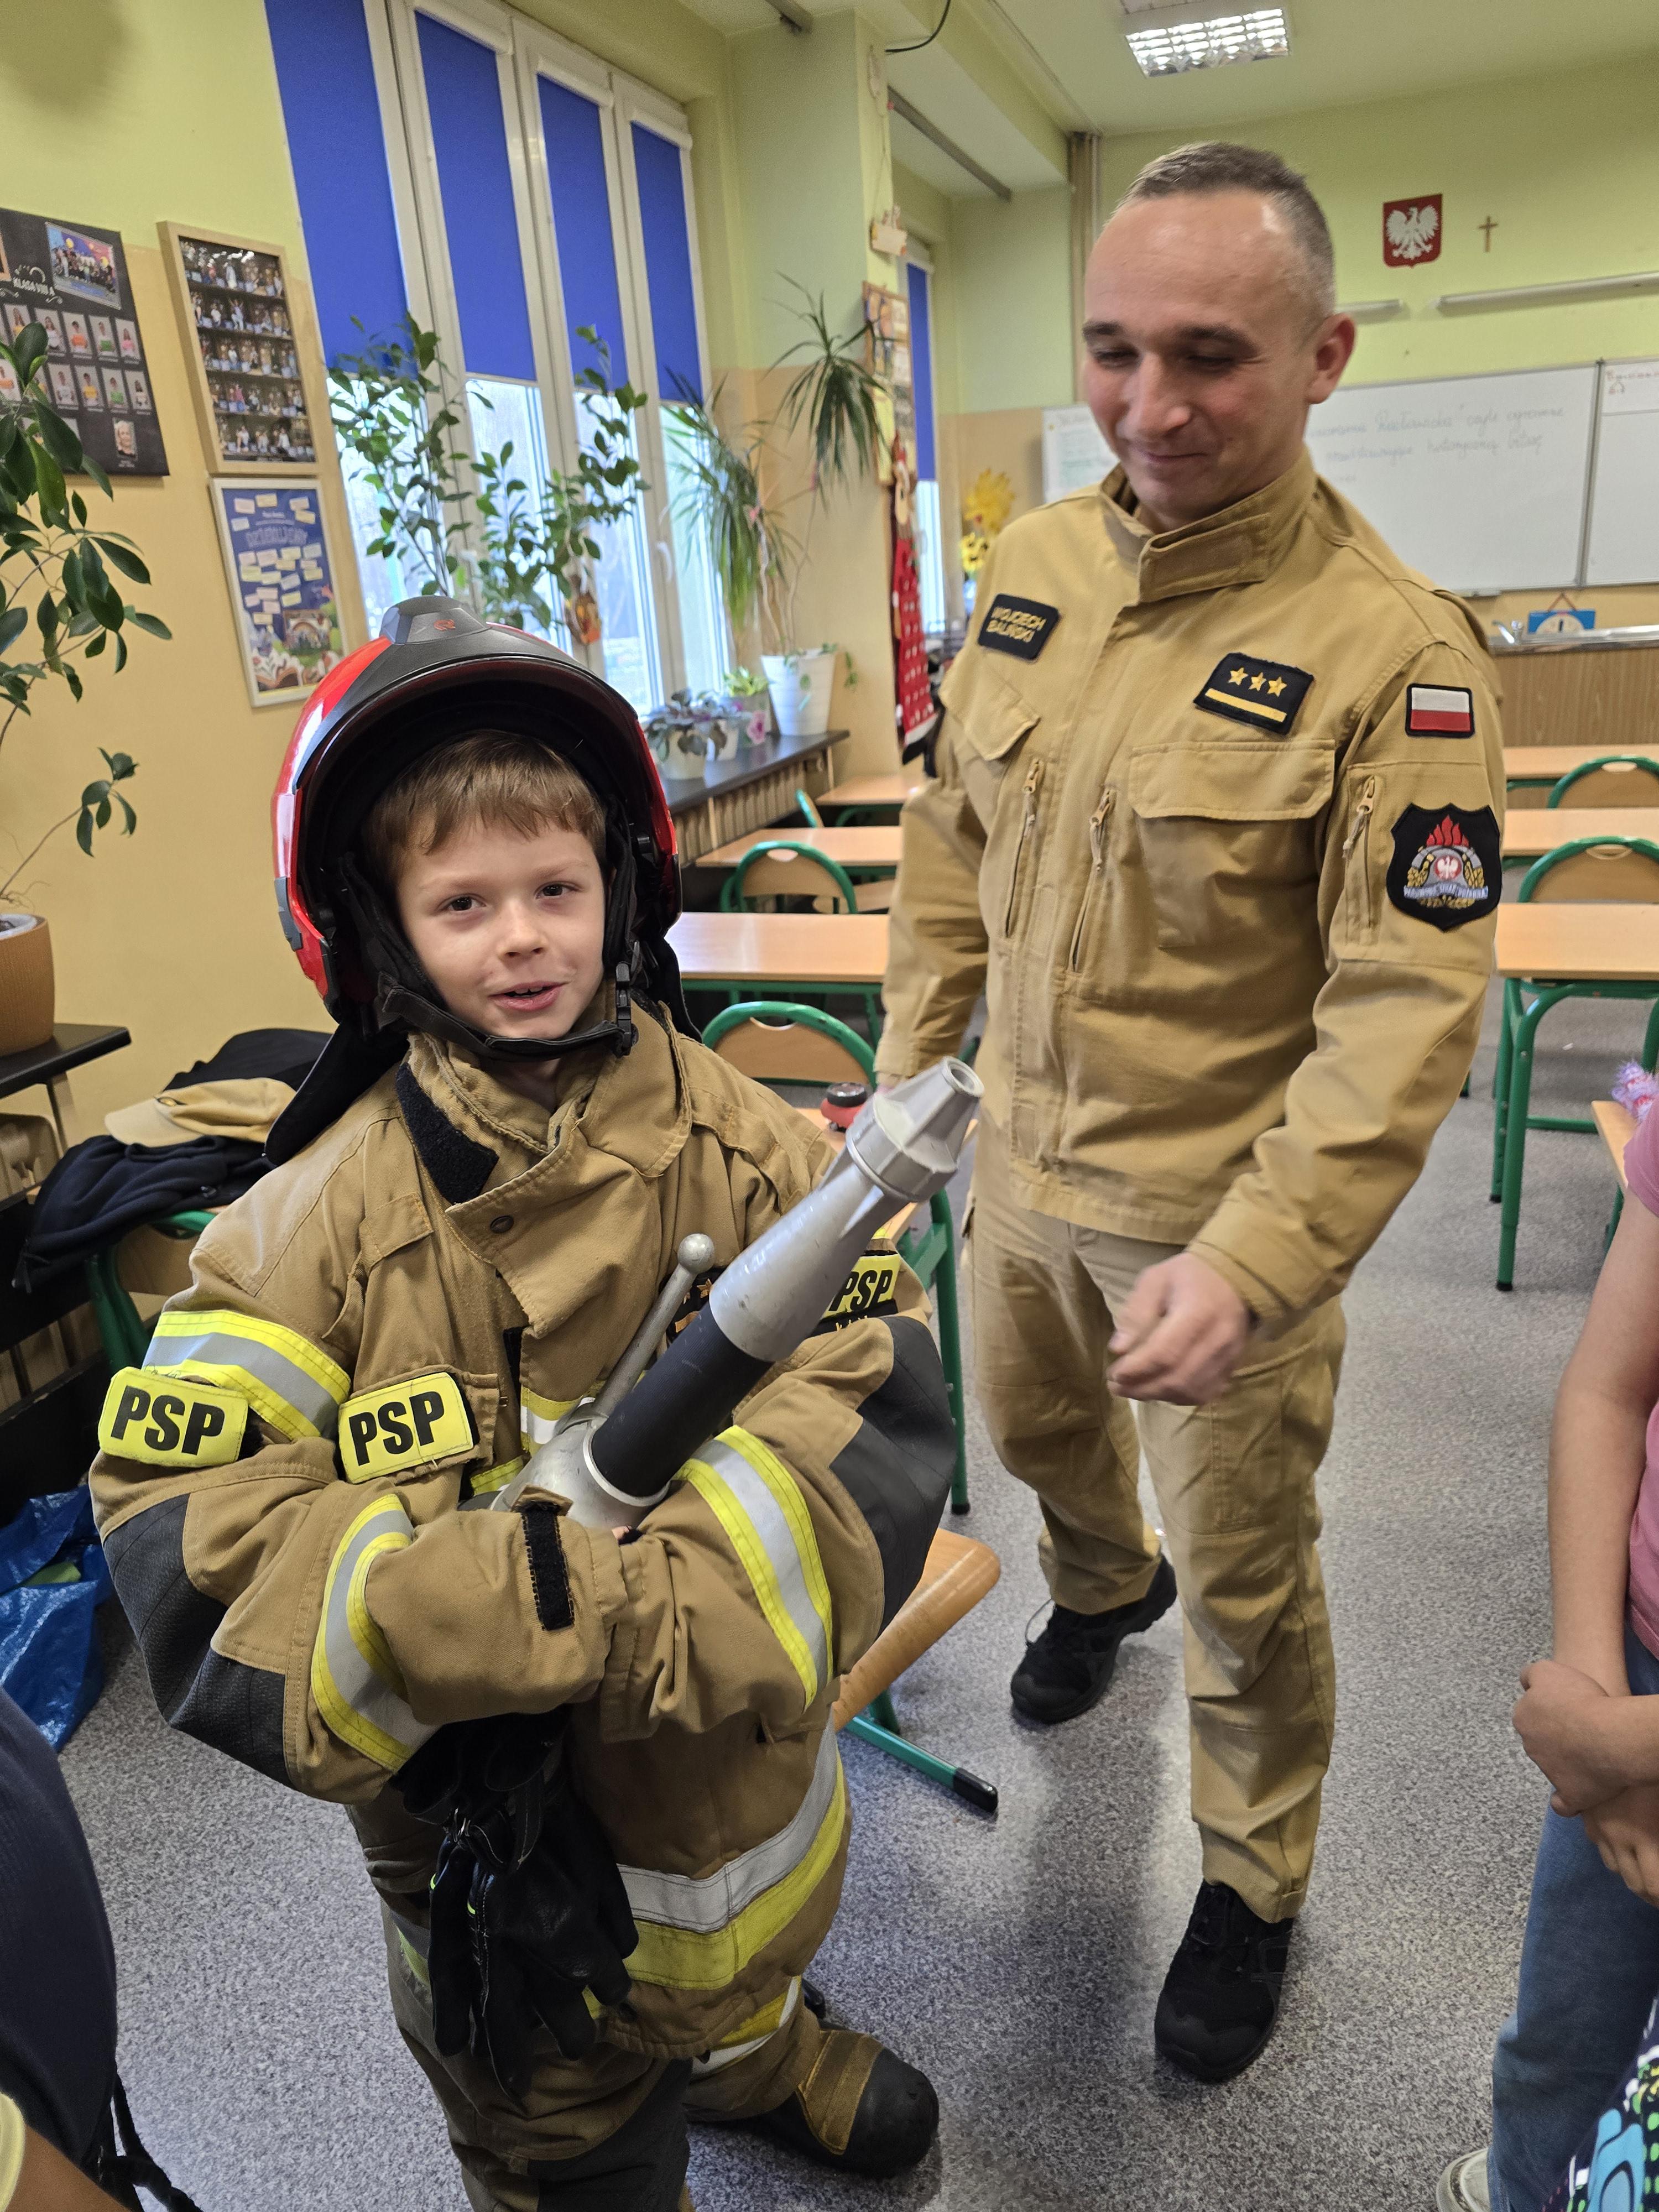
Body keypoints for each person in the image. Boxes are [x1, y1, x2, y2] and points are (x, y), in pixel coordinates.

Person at [90, 600, 955, 2211]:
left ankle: (755, 2056)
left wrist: (650, 1605)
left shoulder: (748, 1144)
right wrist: (459, 1605)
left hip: (734, 1792)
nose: (524, 938)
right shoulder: (307, 1225)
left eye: (556, 888)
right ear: (374, 927)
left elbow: (877, 1391)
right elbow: (188, 1535)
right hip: (500, 1890)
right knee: (563, 2145)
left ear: (621, 884)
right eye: (463, 903)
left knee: (738, 1963)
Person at [877, 139, 1505, 2081]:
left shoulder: (1399, 659)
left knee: (1247, 1584)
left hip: (1212, 1223)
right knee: (1037, 1435)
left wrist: (1257, 1260)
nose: (1150, 407)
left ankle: (1253, 1874)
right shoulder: (1037, 570)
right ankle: (1097, 1582)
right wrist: (911, 1074)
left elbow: (1406, 1007)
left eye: (1211, 357)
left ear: (1324, 356)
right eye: (1113, 350)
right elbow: (952, 839)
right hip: (1018, 1165)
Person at [1440, 1097, 1659, 2212]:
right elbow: (1607, 1389)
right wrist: (1593, 1694)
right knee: (1568, 2039)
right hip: (1632, 1684)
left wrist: (1619, 1744)